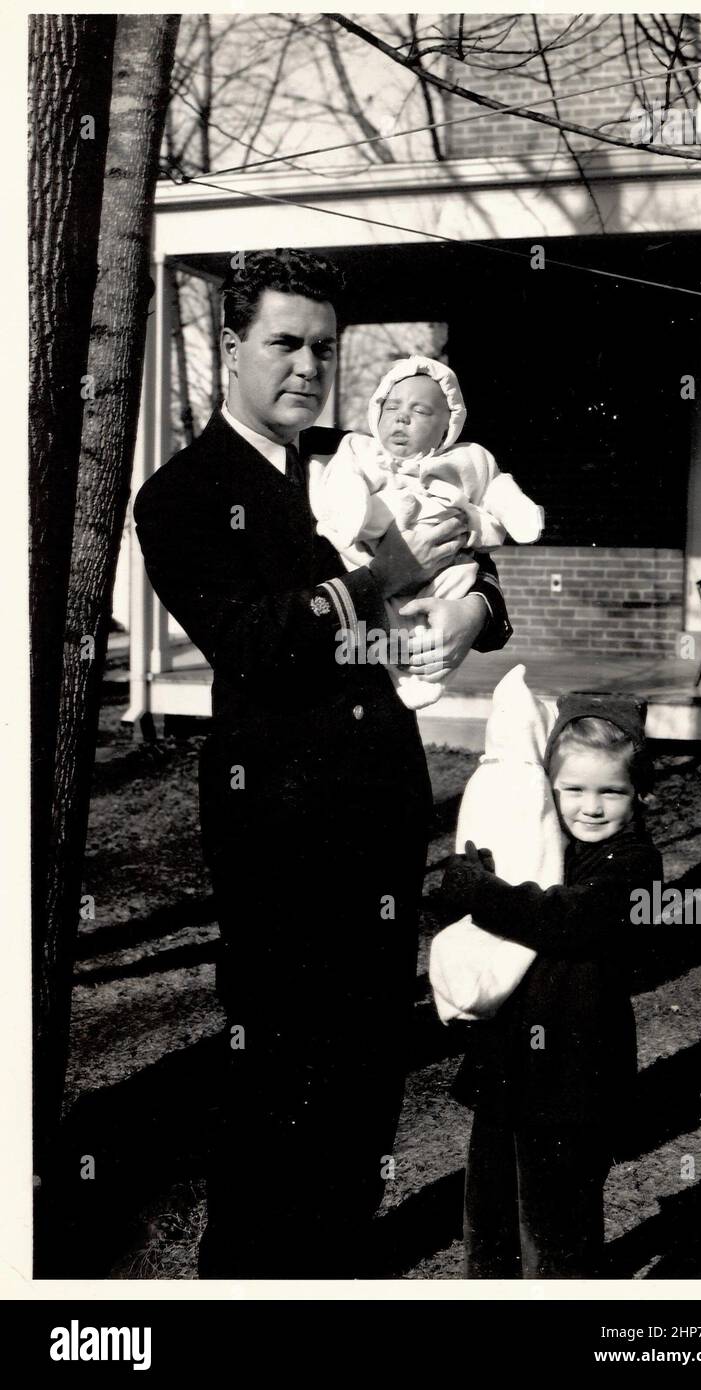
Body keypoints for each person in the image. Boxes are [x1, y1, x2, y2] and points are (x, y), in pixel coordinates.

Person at [132, 248, 513, 1278]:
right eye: (283, 342)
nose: (306, 366)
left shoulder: (357, 457)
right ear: (231, 348)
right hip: (279, 818)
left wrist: (473, 608)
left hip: (381, 801)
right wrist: (383, 575)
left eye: (323, 347)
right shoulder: (181, 495)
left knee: (363, 1066)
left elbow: (470, 556)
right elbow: (254, 641)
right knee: (277, 1060)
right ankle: (249, 1267)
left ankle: (342, 1258)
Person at [439, 692, 663, 1279]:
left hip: (576, 1078)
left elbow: (565, 918)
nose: (591, 807)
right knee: (488, 1213)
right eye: (574, 789)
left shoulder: (636, 865)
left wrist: (477, 892)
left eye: (611, 791)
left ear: (639, 793)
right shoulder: (539, 847)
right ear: (548, 788)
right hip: (508, 1063)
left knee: (556, 1224)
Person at [309, 354, 543, 709]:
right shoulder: (357, 451)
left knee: (450, 590)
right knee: (392, 620)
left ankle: (422, 670)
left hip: (447, 567)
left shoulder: (468, 458)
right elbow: (342, 484)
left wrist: (475, 612)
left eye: (420, 411)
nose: (402, 417)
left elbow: (494, 487)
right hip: (366, 562)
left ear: (447, 427)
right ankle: (404, 669)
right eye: (393, 407)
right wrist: (385, 571)